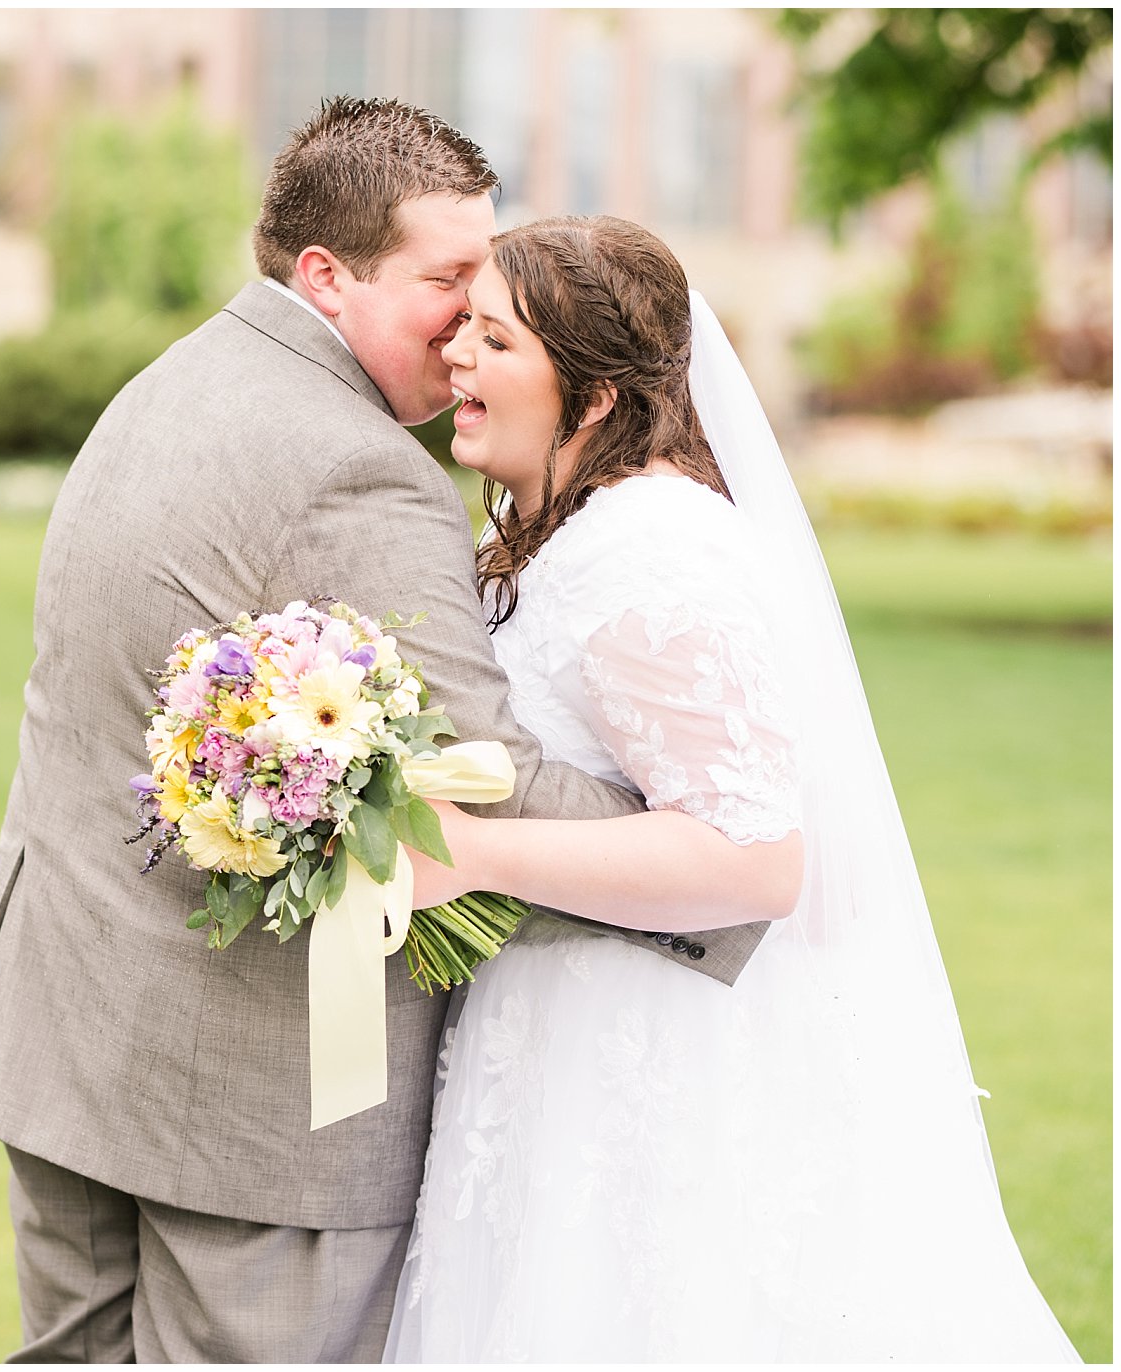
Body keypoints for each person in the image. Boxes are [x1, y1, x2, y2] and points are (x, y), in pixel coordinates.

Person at [0, 98, 756, 1363]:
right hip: (249, 1104)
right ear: (326, 272)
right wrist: (710, 861)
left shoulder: (172, 381)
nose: (477, 318)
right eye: (447, 279)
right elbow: (474, 793)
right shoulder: (356, 468)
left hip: (70, 1036)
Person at [383, 215, 1081, 1362]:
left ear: (593, 397)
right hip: (554, 1034)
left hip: (654, 1062)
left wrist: (473, 854)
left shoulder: (651, 553)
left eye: (494, 341)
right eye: (462, 327)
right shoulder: (556, 530)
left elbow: (754, 858)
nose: (456, 353)